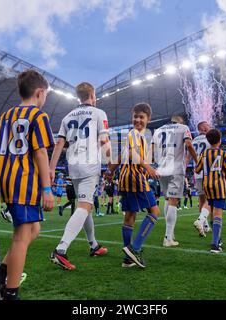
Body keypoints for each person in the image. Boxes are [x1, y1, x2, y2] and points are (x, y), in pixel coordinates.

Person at [0, 70, 54, 300]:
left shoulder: (6, 116)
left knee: (34, 230)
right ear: (40, 93)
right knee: (22, 236)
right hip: (26, 181)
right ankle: (10, 293)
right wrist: (47, 189)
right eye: (46, 96)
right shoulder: (39, 117)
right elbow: (40, 152)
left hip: (8, 179)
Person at [49, 82, 110, 270]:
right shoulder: (99, 113)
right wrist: (109, 163)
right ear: (93, 95)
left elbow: (59, 143)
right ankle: (61, 249)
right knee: (85, 205)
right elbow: (104, 140)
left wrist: (51, 168)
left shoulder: (67, 117)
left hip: (72, 166)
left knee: (86, 204)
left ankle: (93, 245)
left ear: (78, 96)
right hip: (89, 165)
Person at [108, 103, 160, 268]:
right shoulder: (134, 134)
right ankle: (134, 248)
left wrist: (111, 169)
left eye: (141, 117)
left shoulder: (139, 136)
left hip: (125, 178)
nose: (138, 120)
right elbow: (130, 153)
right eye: (135, 116)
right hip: (135, 177)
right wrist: (148, 167)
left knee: (129, 215)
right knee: (155, 211)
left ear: (148, 119)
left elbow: (123, 154)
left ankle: (128, 259)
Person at [152, 115, 197, 247]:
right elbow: (188, 144)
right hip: (176, 167)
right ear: (180, 121)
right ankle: (168, 237)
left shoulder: (158, 130)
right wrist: (197, 159)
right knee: (173, 201)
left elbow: (153, 150)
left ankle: (170, 234)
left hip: (162, 168)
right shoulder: (183, 128)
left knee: (167, 199)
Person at [194, 129, 226, 253]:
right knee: (218, 213)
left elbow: (197, 170)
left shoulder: (204, 154)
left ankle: (218, 238)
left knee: (211, 208)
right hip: (219, 185)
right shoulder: (223, 154)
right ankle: (215, 244)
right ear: (220, 140)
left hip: (207, 185)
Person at [192, 121, 212, 235]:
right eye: (208, 127)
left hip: (197, 173)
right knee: (209, 199)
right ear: (204, 128)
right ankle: (200, 221)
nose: (210, 128)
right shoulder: (209, 139)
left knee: (201, 200)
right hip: (208, 173)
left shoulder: (194, 140)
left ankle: (205, 226)